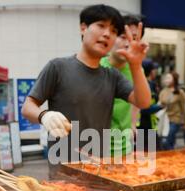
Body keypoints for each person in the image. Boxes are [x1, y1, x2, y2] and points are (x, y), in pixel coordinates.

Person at [21, 5, 151, 175]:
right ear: (83, 28)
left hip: (100, 170)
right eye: (101, 26)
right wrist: (44, 115)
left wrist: (135, 64)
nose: (107, 34)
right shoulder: (58, 67)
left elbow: (143, 102)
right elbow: (28, 106)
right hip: (64, 171)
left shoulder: (113, 76)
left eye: (113, 30)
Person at [100, 14, 144, 156]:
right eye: (123, 37)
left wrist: (133, 123)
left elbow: (139, 100)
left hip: (123, 146)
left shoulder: (137, 69)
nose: (127, 44)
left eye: (134, 38)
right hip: (92, 145)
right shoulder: (96, 65)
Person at [136, 59, 162, 151]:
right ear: (152, 71)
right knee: (148, 155)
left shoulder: (152, 85)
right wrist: (161, 106)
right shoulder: (145, 85)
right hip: (144, 126)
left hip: (149, 125)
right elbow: (144, 108)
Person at [159, 72, 185, 150]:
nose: (166, 80)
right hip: (165, 120)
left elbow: (183, 108)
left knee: (167, 140)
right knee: (169, 141)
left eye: (169, 78)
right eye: (166, 78)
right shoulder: (163, 92)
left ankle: (172, 155)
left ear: (174, 80)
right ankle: (171, 156)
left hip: (175, 119)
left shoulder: (180, 92)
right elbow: (160, 105)